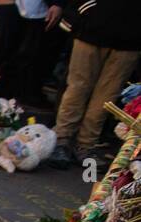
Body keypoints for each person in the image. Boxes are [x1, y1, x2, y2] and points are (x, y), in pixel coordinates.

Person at [47, 0, 141, 169]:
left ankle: (85, 145)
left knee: (107, 96)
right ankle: (62, 140)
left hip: (131, 36)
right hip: (93, 25)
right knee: (78, 88)